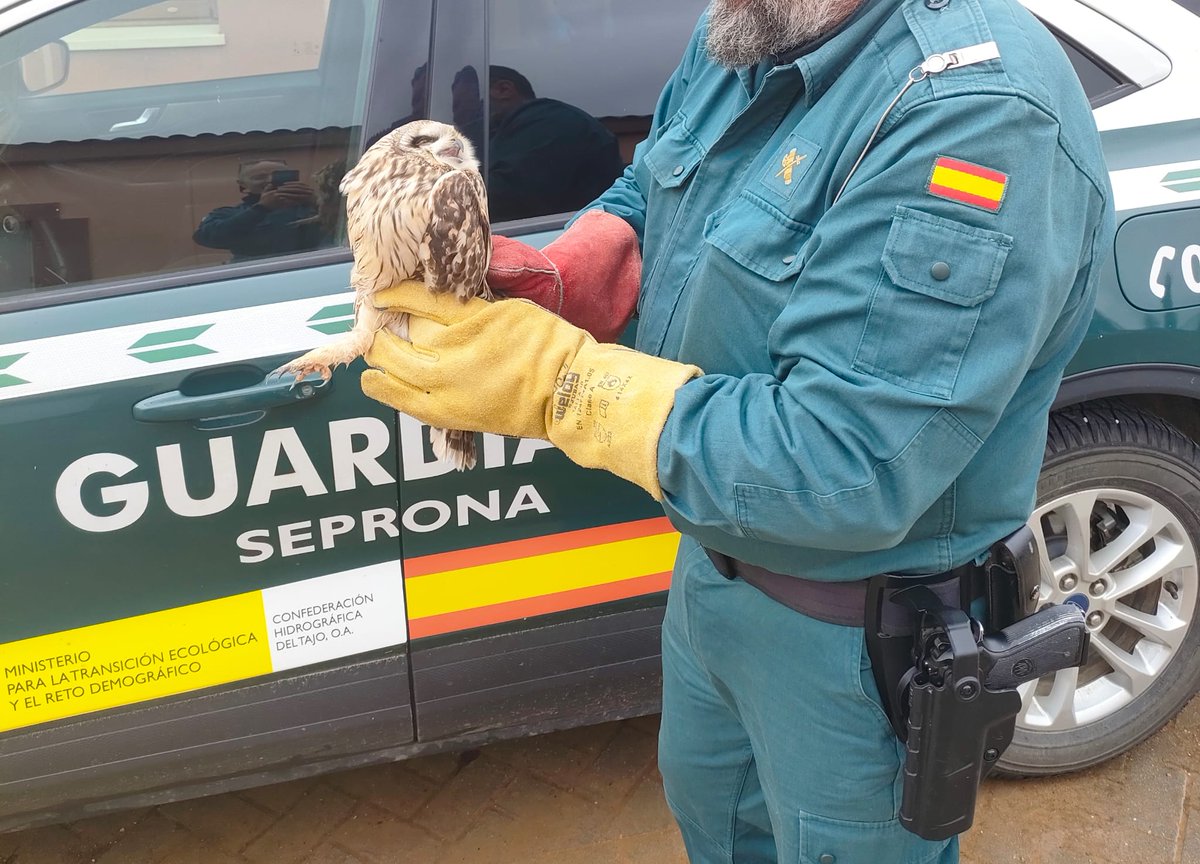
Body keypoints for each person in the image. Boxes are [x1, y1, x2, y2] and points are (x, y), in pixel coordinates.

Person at [359, 0, 1115, 861]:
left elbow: (846, 466)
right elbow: (660, 179)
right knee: (714, 827)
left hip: (855, 643)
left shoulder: (977, 115)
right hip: (711, 577)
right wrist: (583, 264)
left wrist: (557, 385)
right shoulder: (750, 27)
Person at [485, 65, 624, 222]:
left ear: (503, 90)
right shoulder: (513, 132)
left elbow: (503, 197)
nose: (461, 117)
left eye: (463, 105)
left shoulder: (548, 124)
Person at [193, 160, 319, 262]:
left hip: (313, 268)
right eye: (259, 177)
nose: (269, 180)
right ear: (242, 184)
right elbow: (207, 237)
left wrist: (317, 203)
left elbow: (335, 231)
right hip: (252, 274)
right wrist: (261, 209)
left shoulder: (312, 206)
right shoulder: (228, 214)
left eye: (278, 175)